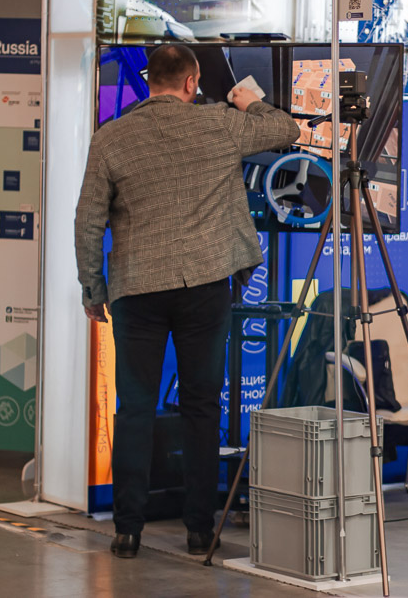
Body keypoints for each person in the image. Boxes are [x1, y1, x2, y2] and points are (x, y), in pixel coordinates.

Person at [74, 44, 300, 559]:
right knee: (202, 406)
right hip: (204, 285)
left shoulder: (111, 138)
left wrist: (93, 289)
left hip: (137, 289)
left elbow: (87, 220)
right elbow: (285, 129)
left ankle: (127, 530)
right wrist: (247, 101)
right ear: (191, 82)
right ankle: (200, 529)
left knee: (134, 408)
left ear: (151, 78)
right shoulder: (220, 124)